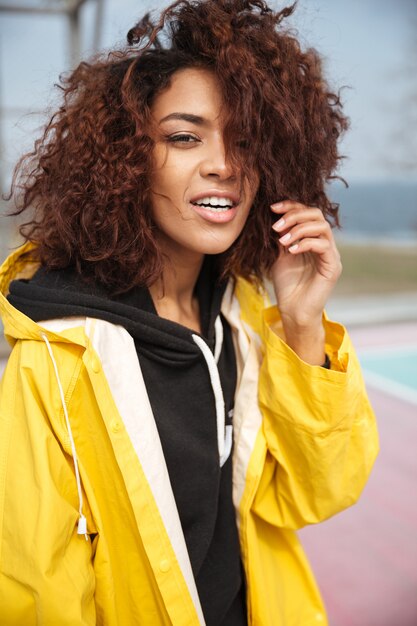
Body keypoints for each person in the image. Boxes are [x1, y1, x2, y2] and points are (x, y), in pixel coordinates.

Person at [0, 1, 378, 624]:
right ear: (125, 160)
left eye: (245, 140)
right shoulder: (57, 359)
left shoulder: (249, 322)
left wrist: (303, 323)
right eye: (184, 136)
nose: (224, 165)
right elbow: (39, 598)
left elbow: (315, 495)